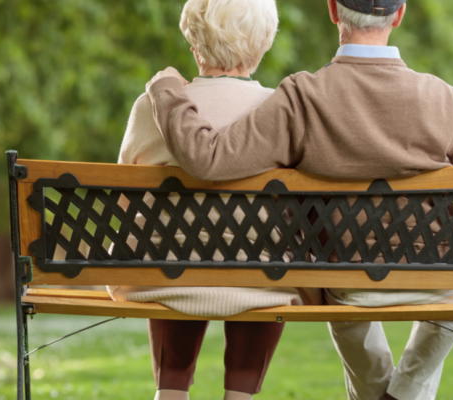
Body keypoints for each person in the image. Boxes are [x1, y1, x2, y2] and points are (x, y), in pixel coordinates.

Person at [144, 0, 453, 399]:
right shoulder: (440, 97)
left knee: (340, 287)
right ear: (399, 14)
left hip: (346, 281)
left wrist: (166, 88)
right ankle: (401, 393)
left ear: (333, 10)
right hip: (441, 276)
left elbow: (209, 158)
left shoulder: (302, 96)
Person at [106, 1, 319, 399]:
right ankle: (240, 394)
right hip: (262, 282)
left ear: (193, 42)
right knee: (260, 255)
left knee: (172, 249)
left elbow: (126, 203)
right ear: (264, 43)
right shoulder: (281, 110)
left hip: (162, 278)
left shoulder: (150, 108)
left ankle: (170, 390)